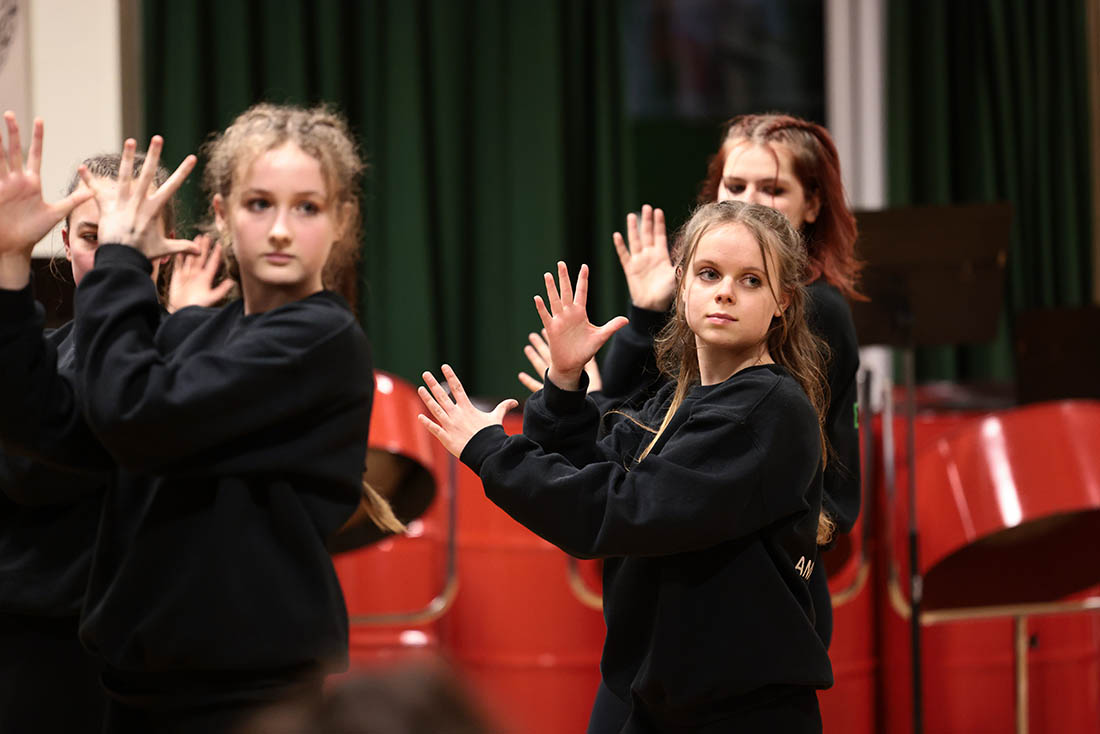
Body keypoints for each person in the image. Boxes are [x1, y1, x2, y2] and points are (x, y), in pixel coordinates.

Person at [0, 104, 397, 734]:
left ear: (342, 221)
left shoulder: (319, 337)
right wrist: (9, 265)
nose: (280, 230)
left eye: (307, 208)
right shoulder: (200, 332)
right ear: (222, 214)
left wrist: (121, 261)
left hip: (248, 691)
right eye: (259, 204)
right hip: (141, 684)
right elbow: (51, 428)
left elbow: (135, 414)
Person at [421, 201, 834, 732]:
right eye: (709, 273)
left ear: (783, 302)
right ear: (681, 285)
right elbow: (583, 474)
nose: (725, 292)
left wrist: (489, 449)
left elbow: (617, 512)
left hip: (740, 714)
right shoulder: (677, 397)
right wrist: (564, 381)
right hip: (664, 703)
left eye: (751, 280)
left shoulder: (764, 410)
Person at [590, 114, 863, 647]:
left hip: (751, 595)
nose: (753, 202)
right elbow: (628, 424)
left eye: (773, 189)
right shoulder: (707, 299)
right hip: (670, 582)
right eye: (735, 186)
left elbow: (823, 480)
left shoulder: (816, 312)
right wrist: (645, 312)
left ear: (812, 205)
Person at [0, 116, 223, 733]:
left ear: (165, 246)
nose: (107, 254)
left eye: (128, 237)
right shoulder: (39, 351)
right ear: (64, 241)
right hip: (27, 637)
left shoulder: (187, 349)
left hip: (125, 648)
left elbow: (35, 470)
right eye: (92, 237)